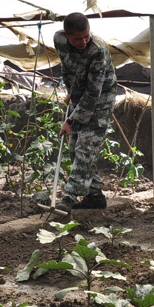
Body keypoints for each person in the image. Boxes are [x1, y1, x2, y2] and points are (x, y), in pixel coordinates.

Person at [53, 12, 118, 213]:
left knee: (85, 148)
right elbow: (67, 66)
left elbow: (93, 92)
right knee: (74, 150)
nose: (83, 42)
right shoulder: (59, 40)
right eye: (77, 38)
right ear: (66, 36)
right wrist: (71, 92)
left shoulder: (98, 50)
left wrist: (70, 121)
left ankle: (69, 198)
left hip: (101, 100)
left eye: (86, 36)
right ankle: (95, 196)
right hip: (79, 97)